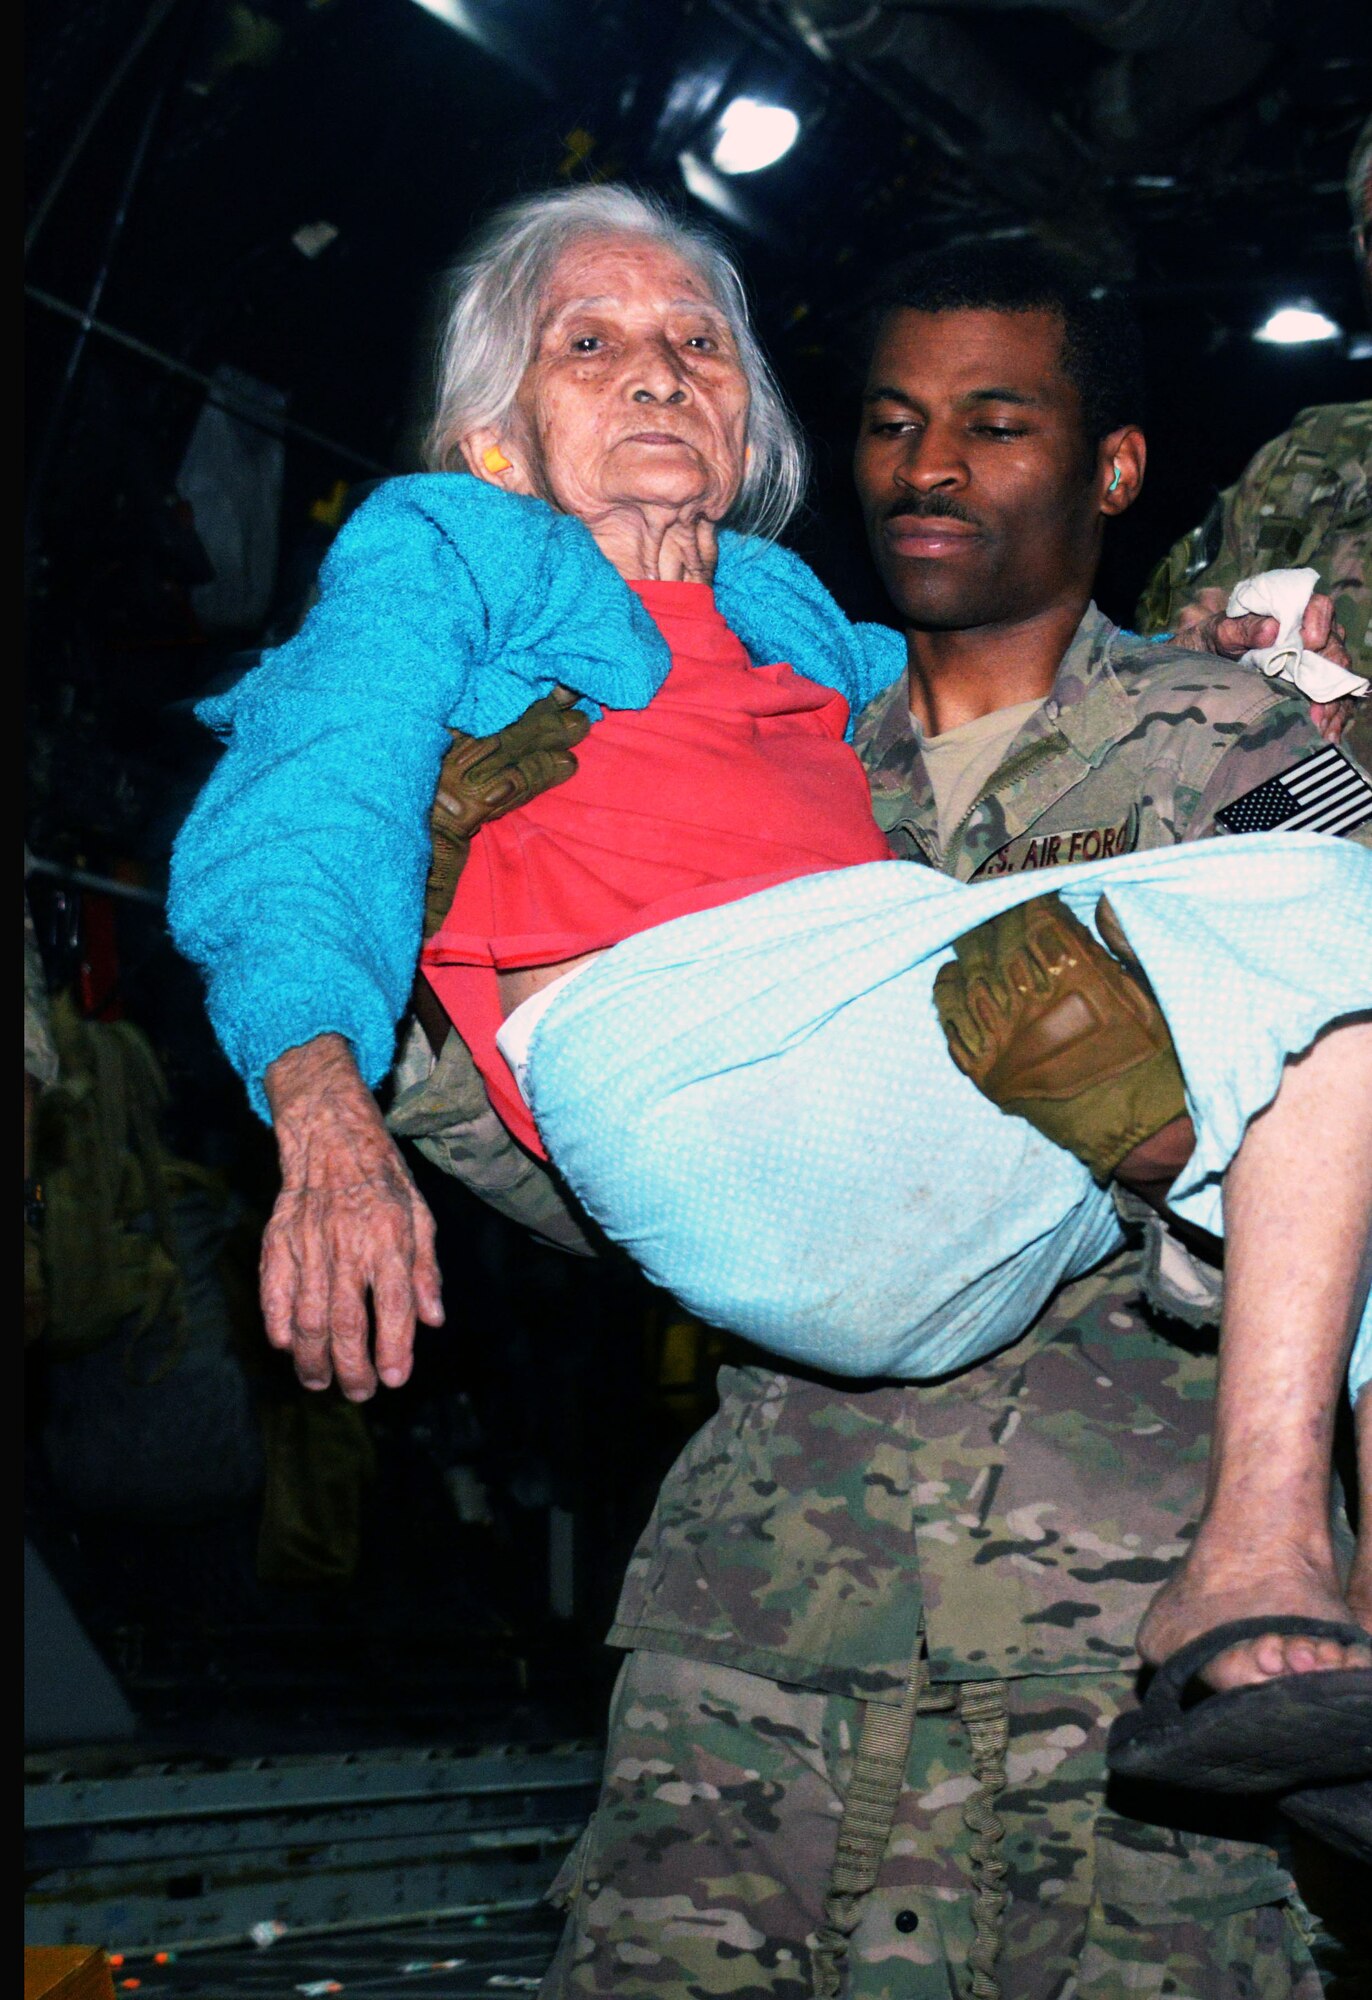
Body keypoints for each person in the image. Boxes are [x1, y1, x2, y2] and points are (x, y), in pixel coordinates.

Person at [164, 185, 1372, 1985]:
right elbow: (311, 812)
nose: (930, 468)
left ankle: (1292, 1574)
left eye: (697, 346)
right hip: (768, 1535)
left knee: (1337, 945)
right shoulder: (543, 591)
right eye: (592, 345)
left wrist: (1194, 1189)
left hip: (1058, 1542)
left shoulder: (996, 688)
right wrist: (346, 1094)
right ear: (496, 425)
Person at [1137, 112, 1371, 769]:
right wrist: (1207, 651)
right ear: (1361, 252)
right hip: (1291, 861)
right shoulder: (1306, 463)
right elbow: (1155, 652)